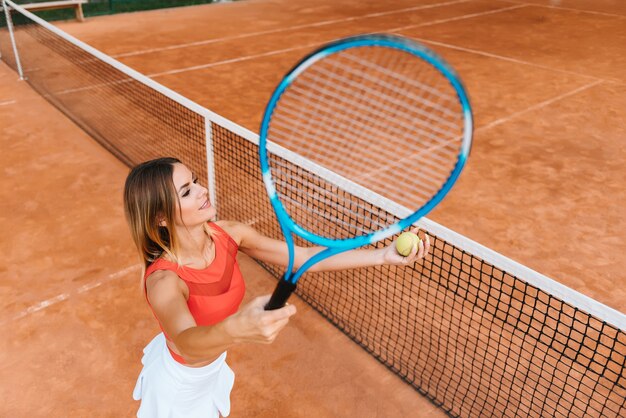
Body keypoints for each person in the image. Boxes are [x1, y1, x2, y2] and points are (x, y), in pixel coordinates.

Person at [123, 157, 430, 418]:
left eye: (196, 180)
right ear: (161, 217)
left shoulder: (230, 234)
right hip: (179, 386)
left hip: (212, 366)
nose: (203, 190)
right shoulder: (164, 281)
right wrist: (236, 328)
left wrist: (382, 256)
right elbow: (188, 343)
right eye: (187, 191)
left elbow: (304, 258)